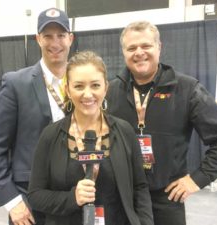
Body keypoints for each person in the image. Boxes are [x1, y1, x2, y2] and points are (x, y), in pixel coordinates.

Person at [106, 21, 217, 225]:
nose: (139, 52)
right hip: (122, 199)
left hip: (167, 200)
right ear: (123, 52)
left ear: (159, 47)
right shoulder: (109, 91)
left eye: (146, 46)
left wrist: (197, 179)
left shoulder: (186, 89)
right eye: (131, 48)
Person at [27, 51, 154, 225]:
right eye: (79, 86)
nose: (88, 94)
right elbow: (35, 195)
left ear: (106, 88)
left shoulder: (124, 131)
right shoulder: (50, 136)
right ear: (68, 89)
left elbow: (140, 187)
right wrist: (73, 198)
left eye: (95, 85)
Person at [0, 7, 74, 225]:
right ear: (38, 39)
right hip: (30, 201)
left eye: (61, 35)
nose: (55, 43)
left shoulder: (82, 83)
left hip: (74, 198)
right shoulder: (16, 83)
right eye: (48, 36)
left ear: (70, 38)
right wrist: (13, 202)